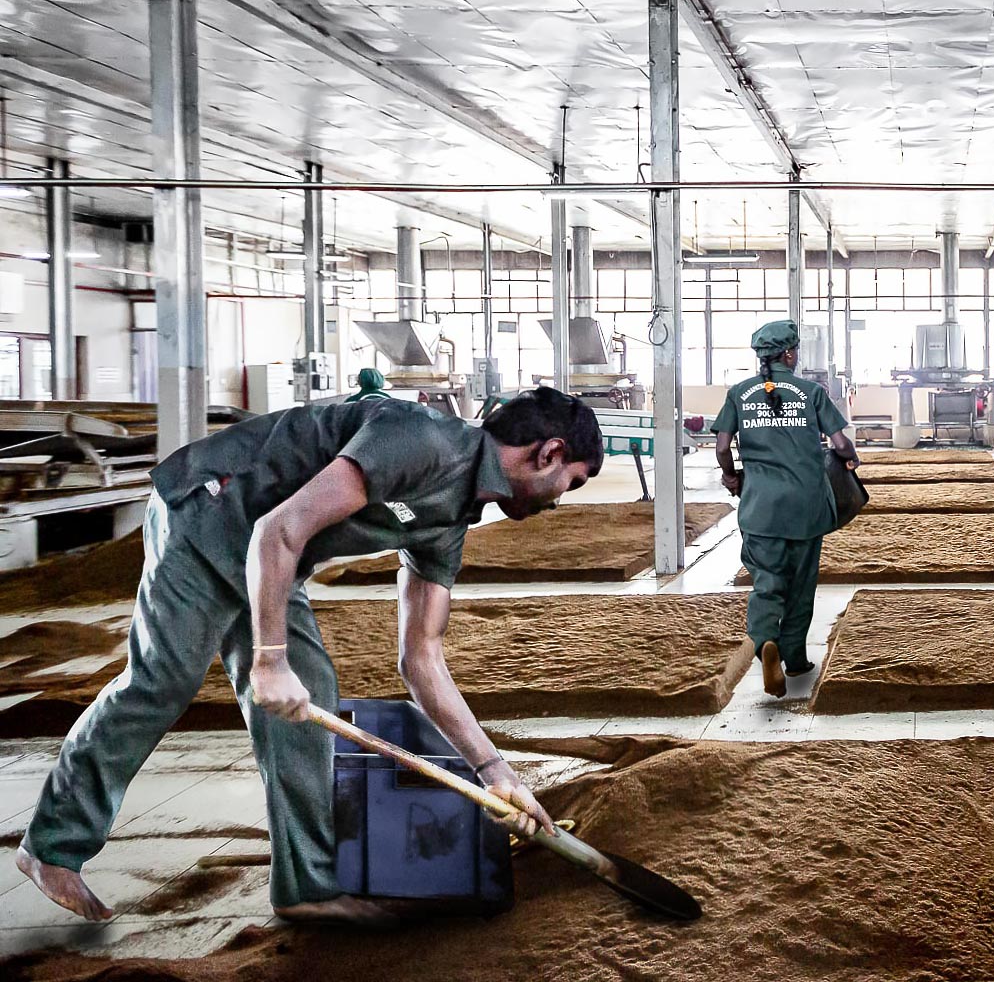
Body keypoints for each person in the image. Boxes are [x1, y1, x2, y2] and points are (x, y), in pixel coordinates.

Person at [15, 387, 603, 925]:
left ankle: (308, 888)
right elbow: (280, 527)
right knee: (163, 679)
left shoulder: (449, 523)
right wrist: (268, 660)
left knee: (310, 691)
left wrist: (495, 772)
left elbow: (421, 657)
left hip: (270, 558)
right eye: (571, 483)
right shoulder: (418, 438)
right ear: (548, 452)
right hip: (208, 514)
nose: (562, 500)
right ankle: (52, 847)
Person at [713, 320, 857, 698]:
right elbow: (840, 442)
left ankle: (764, 642)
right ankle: (794, 658)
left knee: (767, 581)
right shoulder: (811, 391)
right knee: (802, 583)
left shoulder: (738, 393)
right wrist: (851, 461)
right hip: (807, 505)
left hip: (760, 505)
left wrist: (732, 477)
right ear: (790, 353)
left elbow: (722, 447)